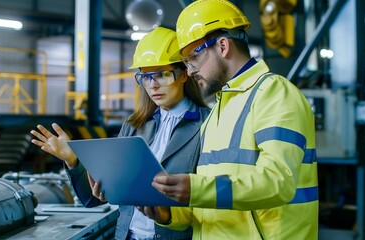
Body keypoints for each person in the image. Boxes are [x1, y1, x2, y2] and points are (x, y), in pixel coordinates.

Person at [139, 1, 319, 239]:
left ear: (222, 46)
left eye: (194, 57)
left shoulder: (274, 94)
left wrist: (195, 189)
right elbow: (208, 205)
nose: (190, 71)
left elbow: (278, 182)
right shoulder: (217, 111)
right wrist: (170, 215)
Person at [30, 26, 210, 240]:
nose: (153, 85)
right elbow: (93, 200)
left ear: (184, 74)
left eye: (162, 75)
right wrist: (74, 161)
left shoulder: (207, 124)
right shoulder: (135, 125)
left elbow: (209, 199)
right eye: (145, 77)